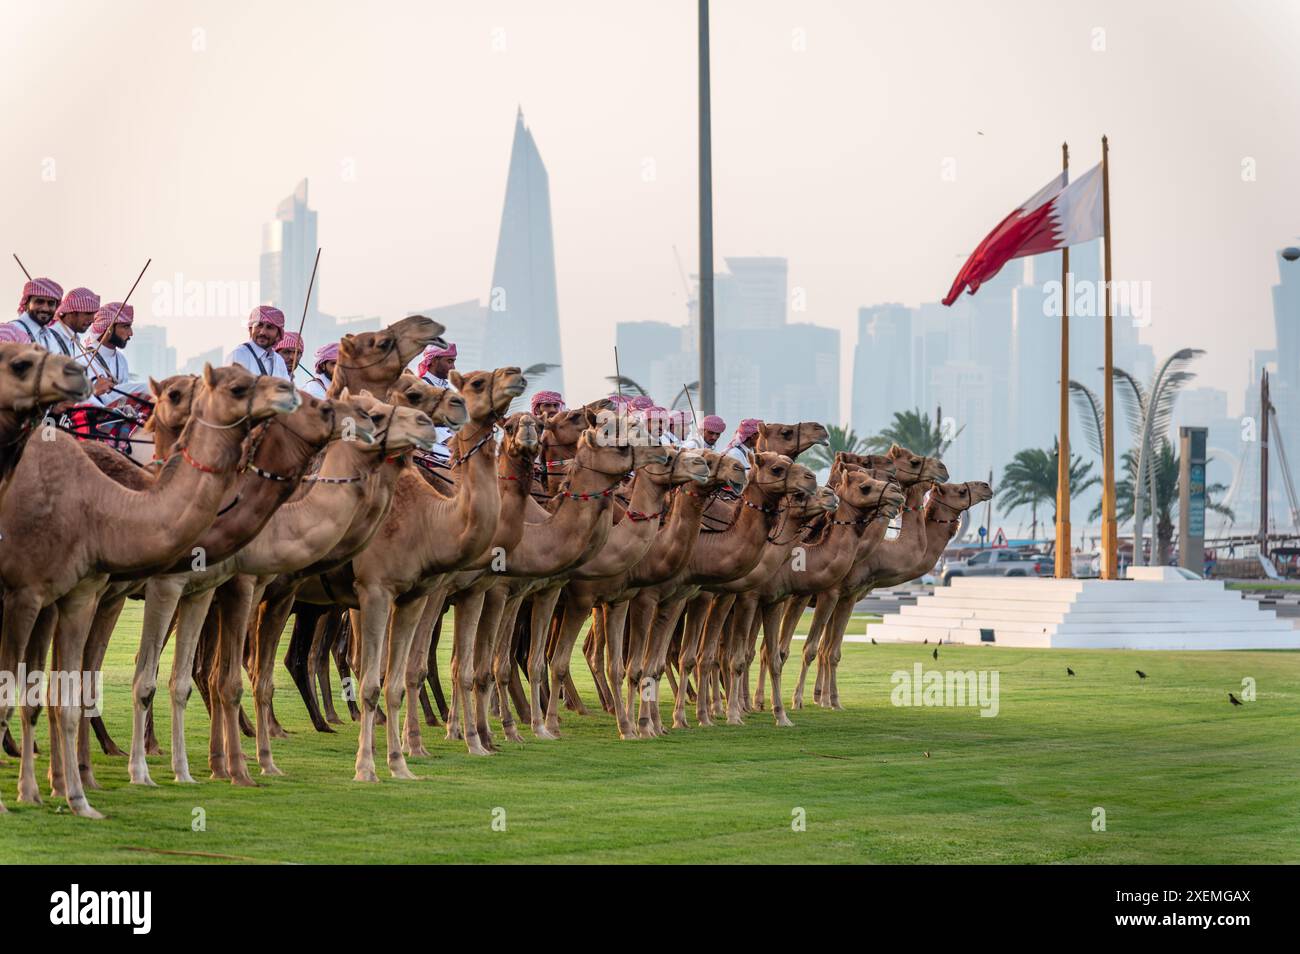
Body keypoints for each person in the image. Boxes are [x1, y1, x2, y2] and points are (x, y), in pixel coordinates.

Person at [77, 302, 135, 406]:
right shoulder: (83, 358)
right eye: (126, 326)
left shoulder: (121, 360)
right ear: (109, 328)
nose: (131, 333)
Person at [416, 342, 458, 461]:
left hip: (450, 443)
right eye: (449, 361)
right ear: (434, 361)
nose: (453, 367)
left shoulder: (449, 389)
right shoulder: (420, 386)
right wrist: (448, 439)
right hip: (429, 444)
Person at [225, 305, 290, 379]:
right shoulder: (239, 355)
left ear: (278, 335)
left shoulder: (279, 360)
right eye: (259, 325)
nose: (262, 332)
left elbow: (287, 389)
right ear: (250, 329)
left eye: (269, 327)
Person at [1, 277, 63, 347]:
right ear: (27, 303)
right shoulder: (8, 332)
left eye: (51, 303)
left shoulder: (51, 337)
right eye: (39, 302)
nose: (45, 309)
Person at [46, 287, 100, 358]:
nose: (92, 320)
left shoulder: (76, 340)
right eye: (88, 313)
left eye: (94, 314)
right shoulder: (48, 337)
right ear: (71, 312)